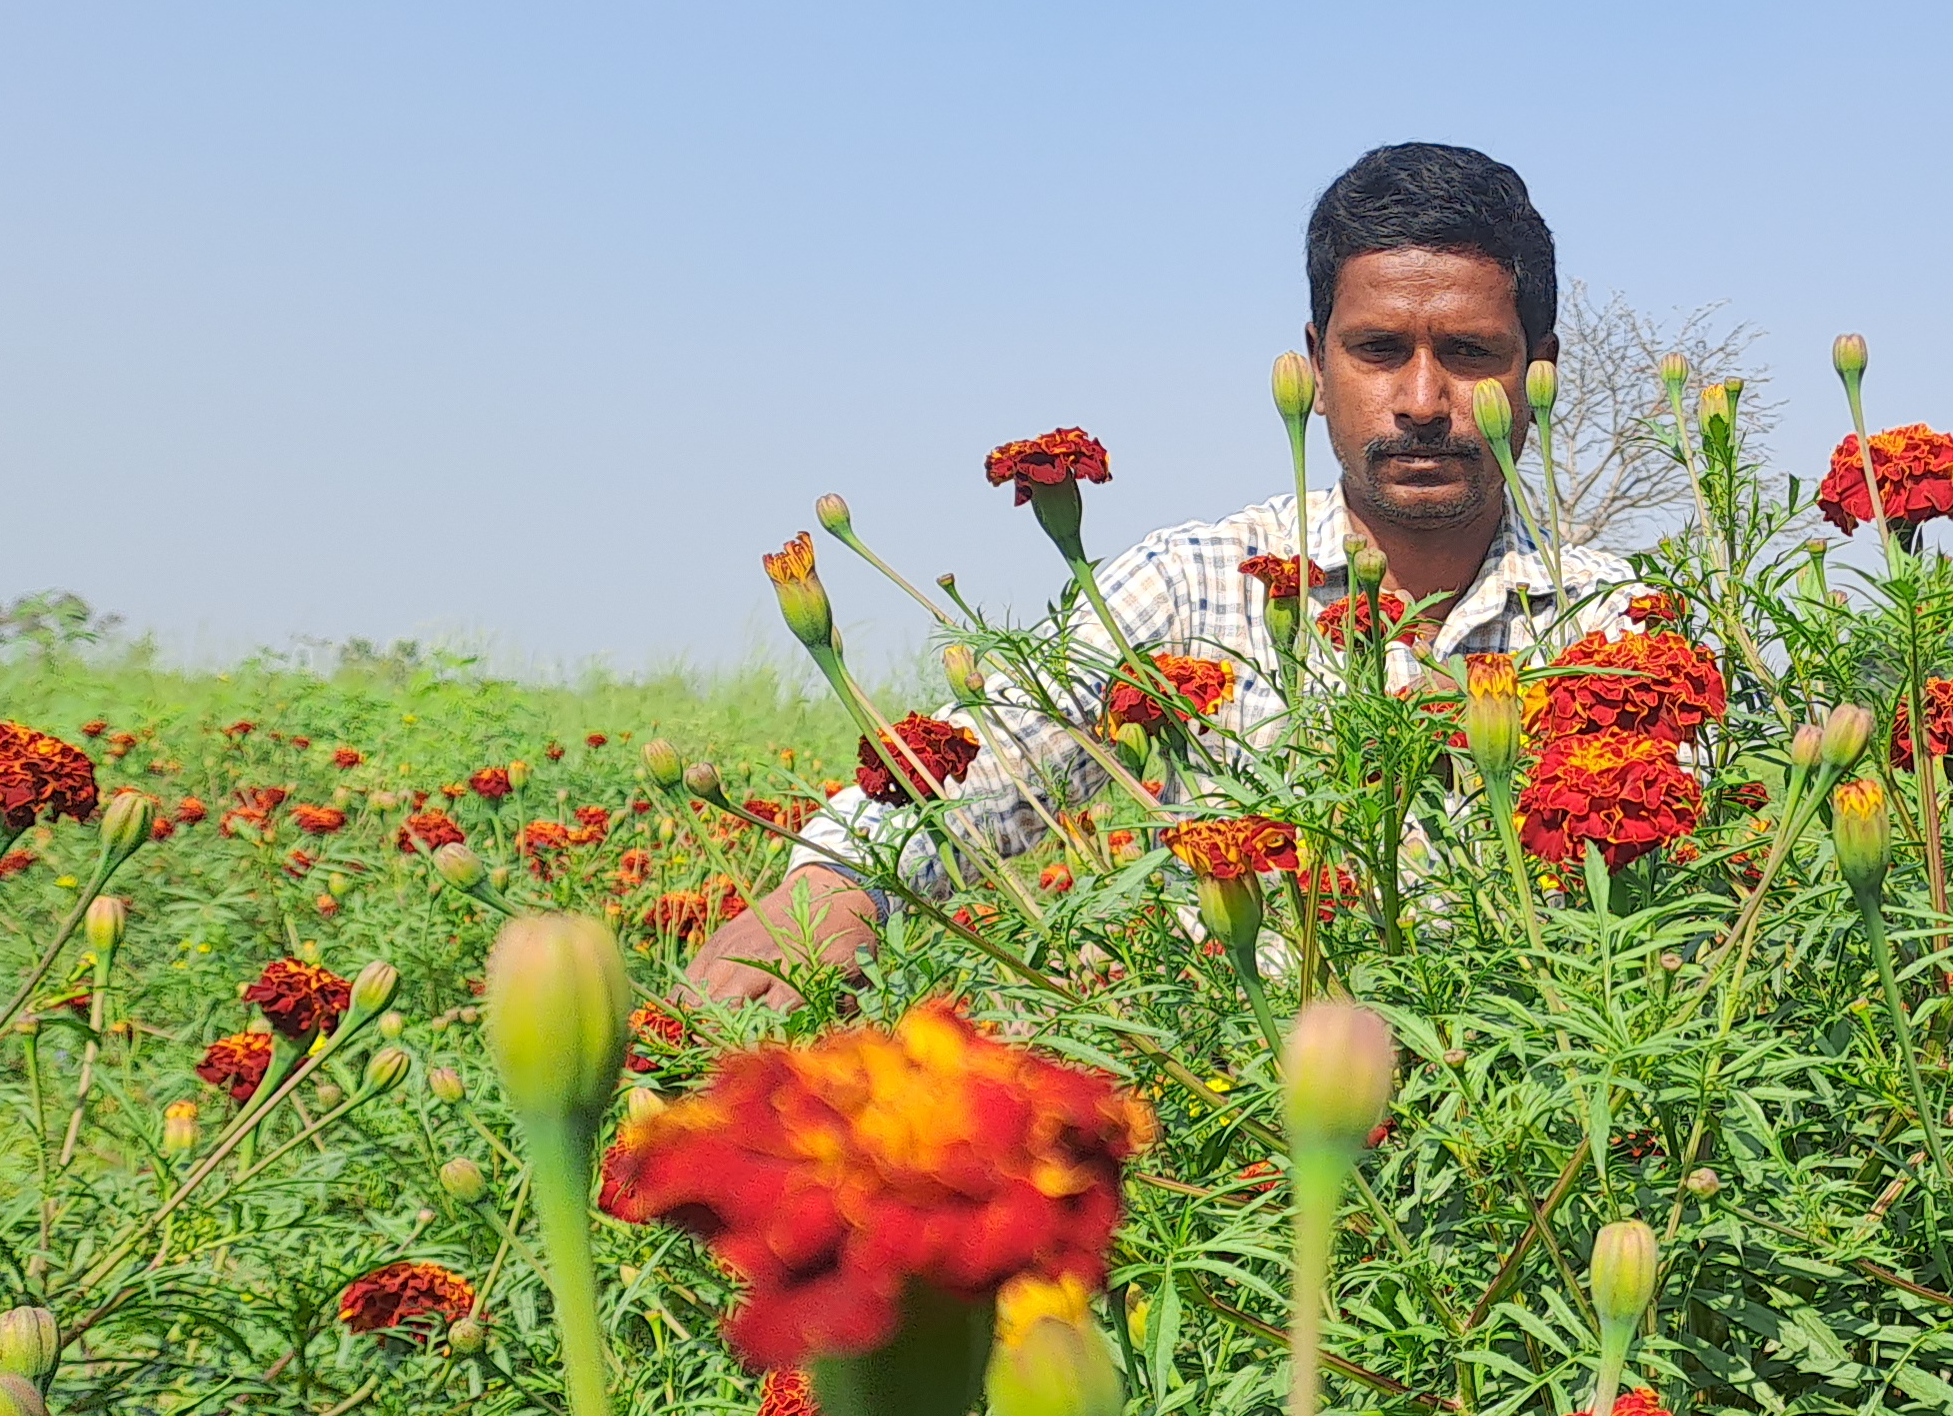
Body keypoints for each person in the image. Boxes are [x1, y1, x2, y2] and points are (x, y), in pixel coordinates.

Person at [685, 141, 1625, 1007]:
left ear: (1536, 371)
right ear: (1313, 364)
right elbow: (998, 753)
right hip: (1246, 1120)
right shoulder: (1191, 585)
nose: (1423, 400)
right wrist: (833, 886)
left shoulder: (1621, 625)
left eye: (1469, 354)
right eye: (1379, 350)